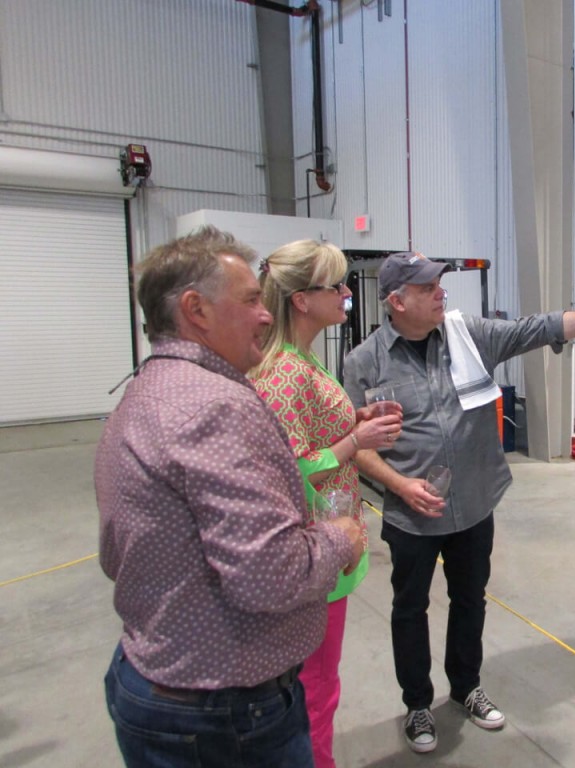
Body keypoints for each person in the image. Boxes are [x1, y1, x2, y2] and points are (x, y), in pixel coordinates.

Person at [342, 251, 575, 754]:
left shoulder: (466, 335)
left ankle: (466, 686)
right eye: (428, 287)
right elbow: (356, 446)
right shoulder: (364, 362)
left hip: (474, 504)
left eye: (439, 284)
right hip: (412, 514)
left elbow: (538, 328)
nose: (440, 293)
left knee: (470, 599)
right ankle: (417, 705)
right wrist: (401, 486)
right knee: (409, 609)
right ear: (396, 300)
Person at [95, 227, 366, 768]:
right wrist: (338, 540)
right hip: (223, 710)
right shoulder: (218, 408)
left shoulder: (148, 390)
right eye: (247, 300)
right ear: (195, 310)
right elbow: (272, 574)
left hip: (159, 677)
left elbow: (115, 554)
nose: (263, 314)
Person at [250, 240, 402, 768]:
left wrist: (351, 424)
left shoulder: (299, 360)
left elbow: (308, 438)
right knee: (316, 689)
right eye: (334, 286)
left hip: (325, 546)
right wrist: (354, 443)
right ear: (300, 300)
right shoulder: (286, 373)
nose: (345, 294)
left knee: (317, 685)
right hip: (316, 552)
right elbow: (289, 468)